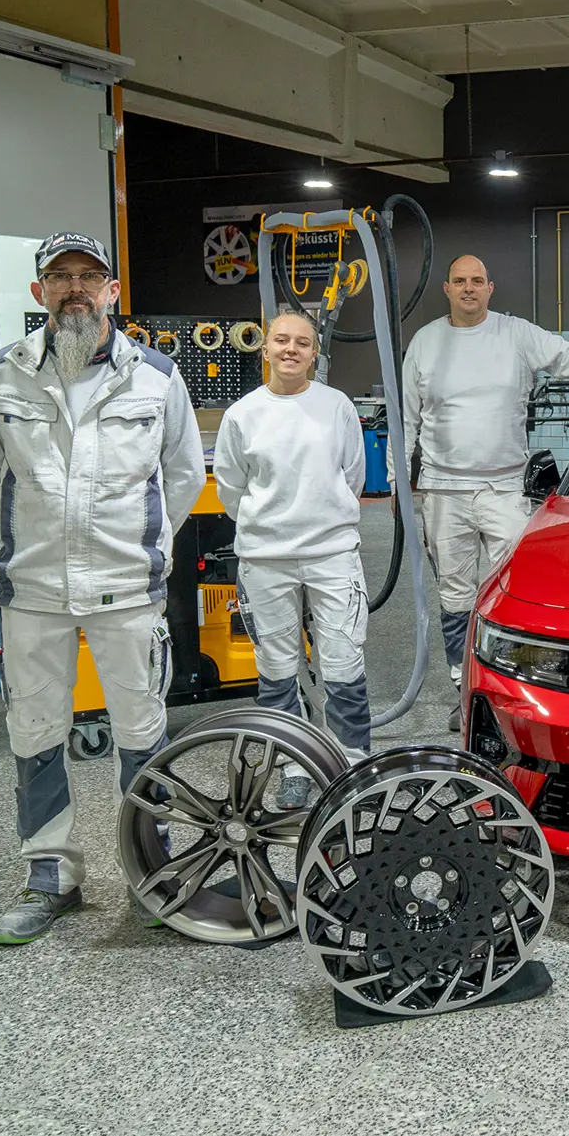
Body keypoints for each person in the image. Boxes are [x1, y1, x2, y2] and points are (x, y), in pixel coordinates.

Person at [0, 231, 206, 945]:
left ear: (112, 291)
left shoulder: (156, 378)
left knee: (142, 732)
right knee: (34, 733)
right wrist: (22, 545)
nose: (75, 287)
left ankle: (150, 868)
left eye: (89, 276)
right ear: (38, 292)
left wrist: (146, 550)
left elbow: (184, 476)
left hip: (125, 588)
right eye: (60, 276)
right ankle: (51, 875)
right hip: (33, 588)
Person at [402, 254, 569, 698]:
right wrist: (400, 479)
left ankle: (505, 681)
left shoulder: (514, 333)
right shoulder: (424, 342)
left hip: (505, 487)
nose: (469, 288)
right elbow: (407, 418)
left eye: (477, 280)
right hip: (443, 489)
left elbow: (566, 355)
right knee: (454, 594)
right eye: (460, 281)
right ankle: (462, 679)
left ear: (490, 288)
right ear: (447, 290)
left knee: (511, 588)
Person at [214, 311, 371, 797]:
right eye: (281, 340)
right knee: (277, 671)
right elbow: (230, 488)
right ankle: (296, 770)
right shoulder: (242, 415)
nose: (291, 349)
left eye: (302, 343)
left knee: (344, 666)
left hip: (332, 554)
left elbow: (353, 476)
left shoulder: (337, 406)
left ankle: (351, 768)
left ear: (314, 353)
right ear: (265, 349)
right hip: (265, 559)